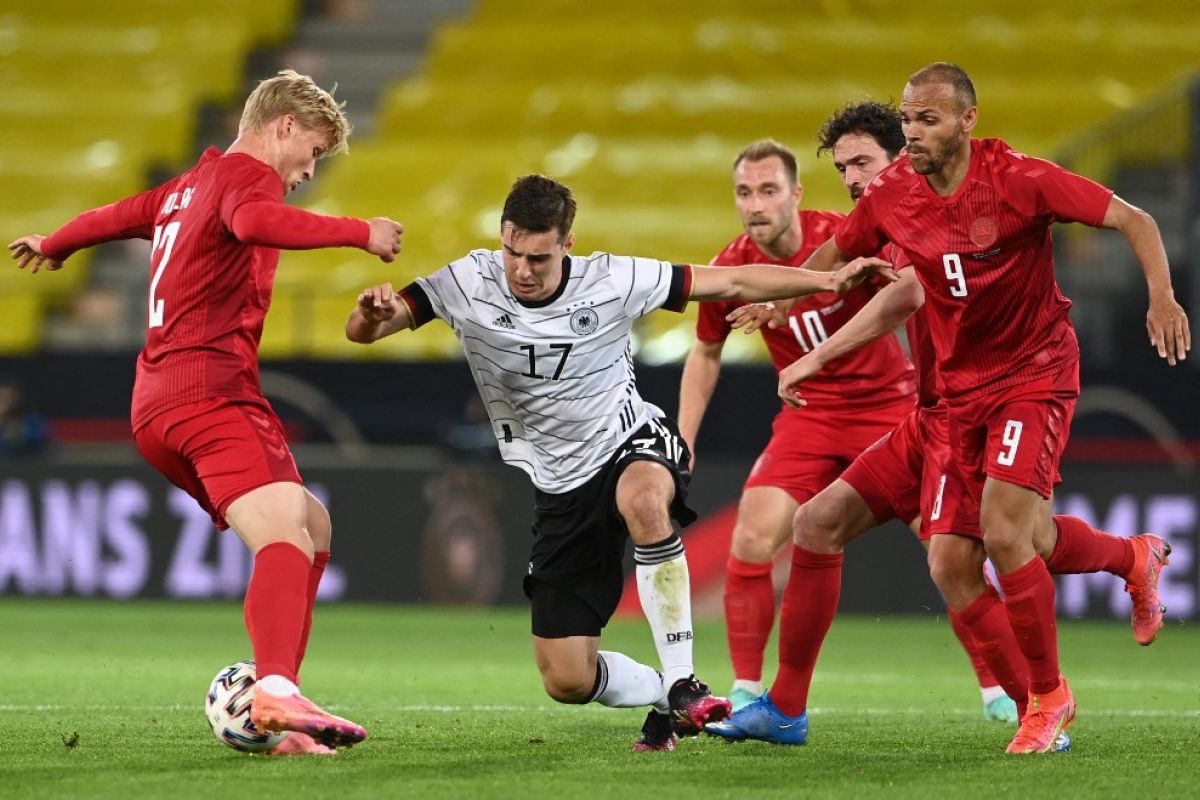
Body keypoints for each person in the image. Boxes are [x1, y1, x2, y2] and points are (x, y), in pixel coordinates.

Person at [710, 64, 1188, 755]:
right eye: (906, 120)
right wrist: (785, 303)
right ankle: (785, 708)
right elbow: (837, 256)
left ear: (968, 121)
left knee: (999, 535)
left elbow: (1133, 218)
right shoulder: (894, 195)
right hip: (947, 406)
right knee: (829, 525)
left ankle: (1046, 699)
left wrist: (1163, 297)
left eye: (926, 120)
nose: (912, 133)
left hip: (1030, 379)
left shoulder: (1019, 180)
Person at [344, 174, 892, 751]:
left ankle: (684, 681)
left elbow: (730, 279)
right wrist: (371, 315)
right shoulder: (466, 281)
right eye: (512, 252)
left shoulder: (612, 279)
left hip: (630, 439)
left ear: (567, 245)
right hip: (557, 482)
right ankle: (663, 698)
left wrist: (826, 277)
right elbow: (366, 332)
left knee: (645, 500)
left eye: (537, 257)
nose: (522, 270)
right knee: (567, 678)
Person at [8, 69, 405, 755]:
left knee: (310, 523)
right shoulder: (246, 182)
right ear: (281, 126)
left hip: (155, 405)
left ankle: (280, 710)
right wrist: (357, 231)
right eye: (310, 151)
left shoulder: (186, 186)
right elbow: (255, 222)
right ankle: (274, 690)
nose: (309, 170)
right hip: (207, 393)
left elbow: (116, 215)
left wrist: (57, 243)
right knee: (285, 528)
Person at [678, 138, 1012, 719]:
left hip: (890, 410)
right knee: (752, 539)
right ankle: (748, 692)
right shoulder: (732, 266)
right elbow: (706, 352)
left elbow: (915, 294)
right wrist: (683, 436)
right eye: (744, 192)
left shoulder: (845, 236)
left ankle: (999, 689)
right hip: (807, 418)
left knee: (949, 550)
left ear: (795, 195)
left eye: (768, 190)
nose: (756, 205)